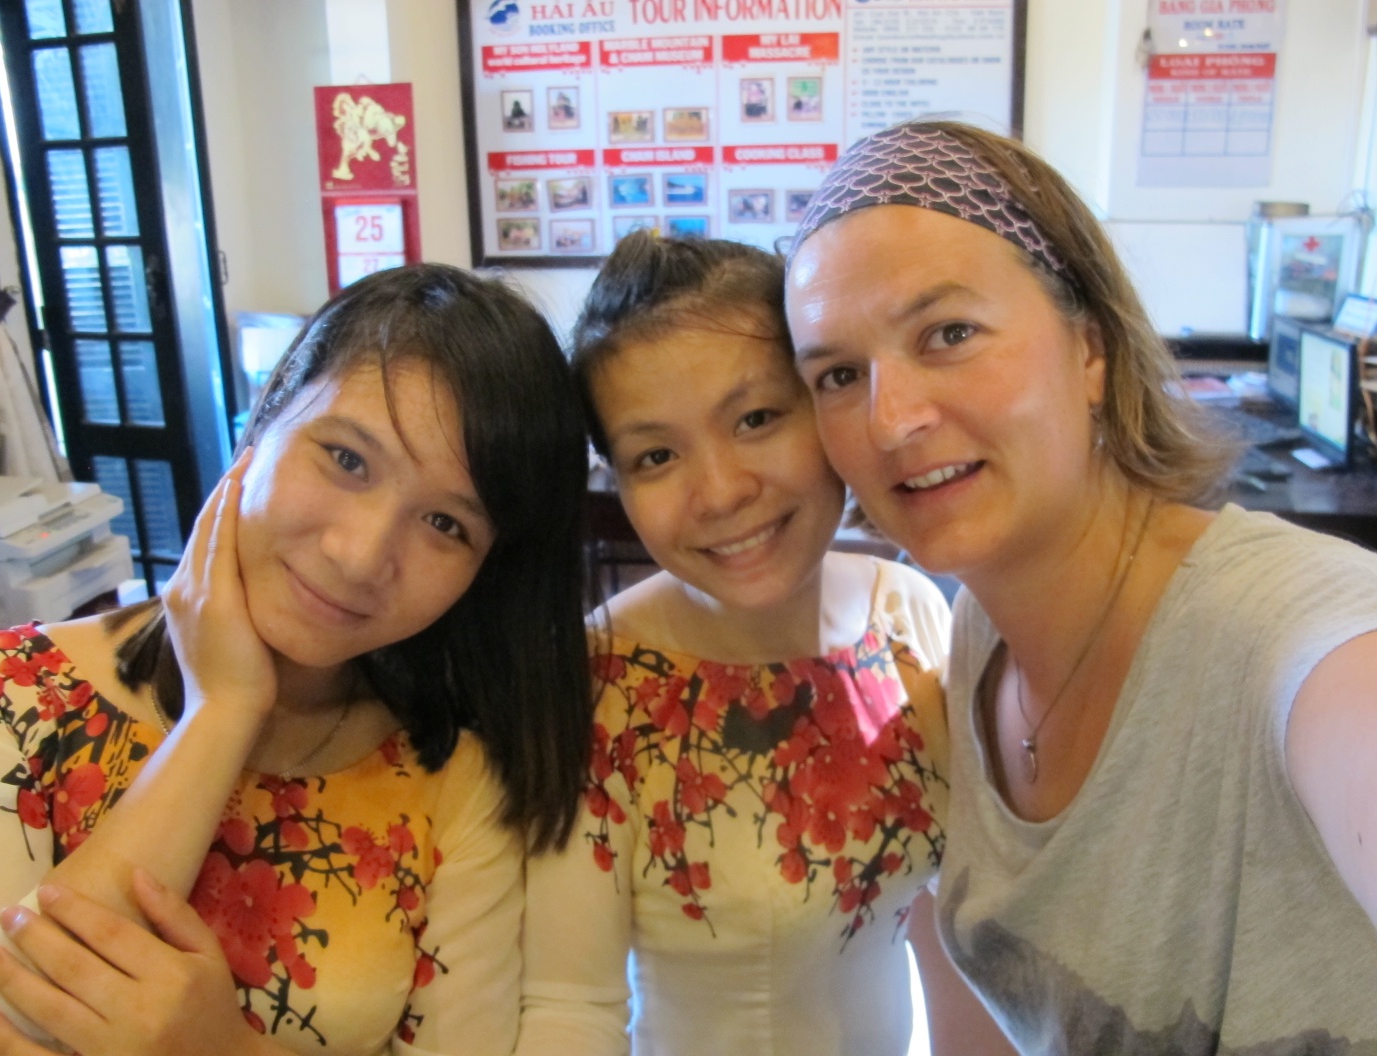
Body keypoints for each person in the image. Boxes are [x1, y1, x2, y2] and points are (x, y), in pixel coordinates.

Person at [784, 119, 1377, 1051]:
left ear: (1090, 349)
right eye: (838, 374)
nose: (890, 420)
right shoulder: (978, 629)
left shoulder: (1296, 634)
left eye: (949, 333)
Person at [0, 263, 594, 1056]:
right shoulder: (1, 694)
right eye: (347, 460)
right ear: (264, 419)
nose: (361, 557)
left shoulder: (450, 779)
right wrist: (221, 711)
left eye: (445, 524)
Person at [516, 230, 956, 1056]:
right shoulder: (596, 684)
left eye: (756, 418)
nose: (720, 492)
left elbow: (950, 915)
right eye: (656, 455)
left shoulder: (908, 614)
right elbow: (570, 1007)